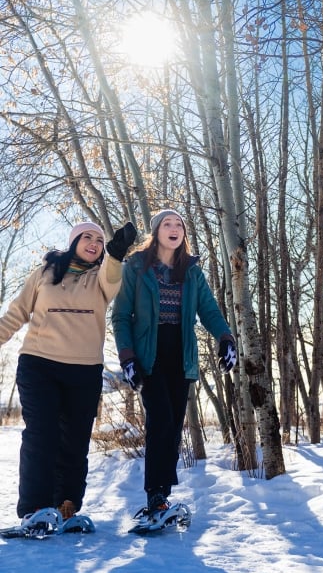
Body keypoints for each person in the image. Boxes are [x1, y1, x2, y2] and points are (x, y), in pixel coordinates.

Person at [0, 220, 136, 523]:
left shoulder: (103, 276)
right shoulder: (45, 273)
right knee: (41, 435)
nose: (94, 242)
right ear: (73, 242)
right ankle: (35, 509)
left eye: (99, 240)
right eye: (86, 237)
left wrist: (115, 252)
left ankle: (67, 505)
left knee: (74, 441)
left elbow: (112, 276)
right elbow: (17, 313)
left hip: (84, 370)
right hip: (39, 364)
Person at [111, 209, 236, 521]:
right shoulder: (136, 267)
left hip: (181, 356)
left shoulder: (192, 271)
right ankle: (155, 496)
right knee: (161, 420)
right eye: (167, 223)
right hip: (148, 355)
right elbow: (120, 315)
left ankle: (161, 499)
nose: (174, 228)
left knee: (173, 426)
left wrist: (225, 338)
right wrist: (127, 357)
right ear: (156, 232)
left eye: (179, 224)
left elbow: (208, 308)